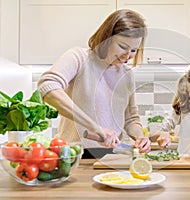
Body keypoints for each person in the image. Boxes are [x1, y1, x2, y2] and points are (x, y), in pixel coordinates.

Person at [38, 9, 151, 156]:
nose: (127, 55)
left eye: (134, 50)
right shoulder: (79, 58)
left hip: (114, 156)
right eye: (123, 47)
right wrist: (95, 127)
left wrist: (140, 137)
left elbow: (130, 119)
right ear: (106, 37)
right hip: (74, 154)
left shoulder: (127, 75)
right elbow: (47, 86)